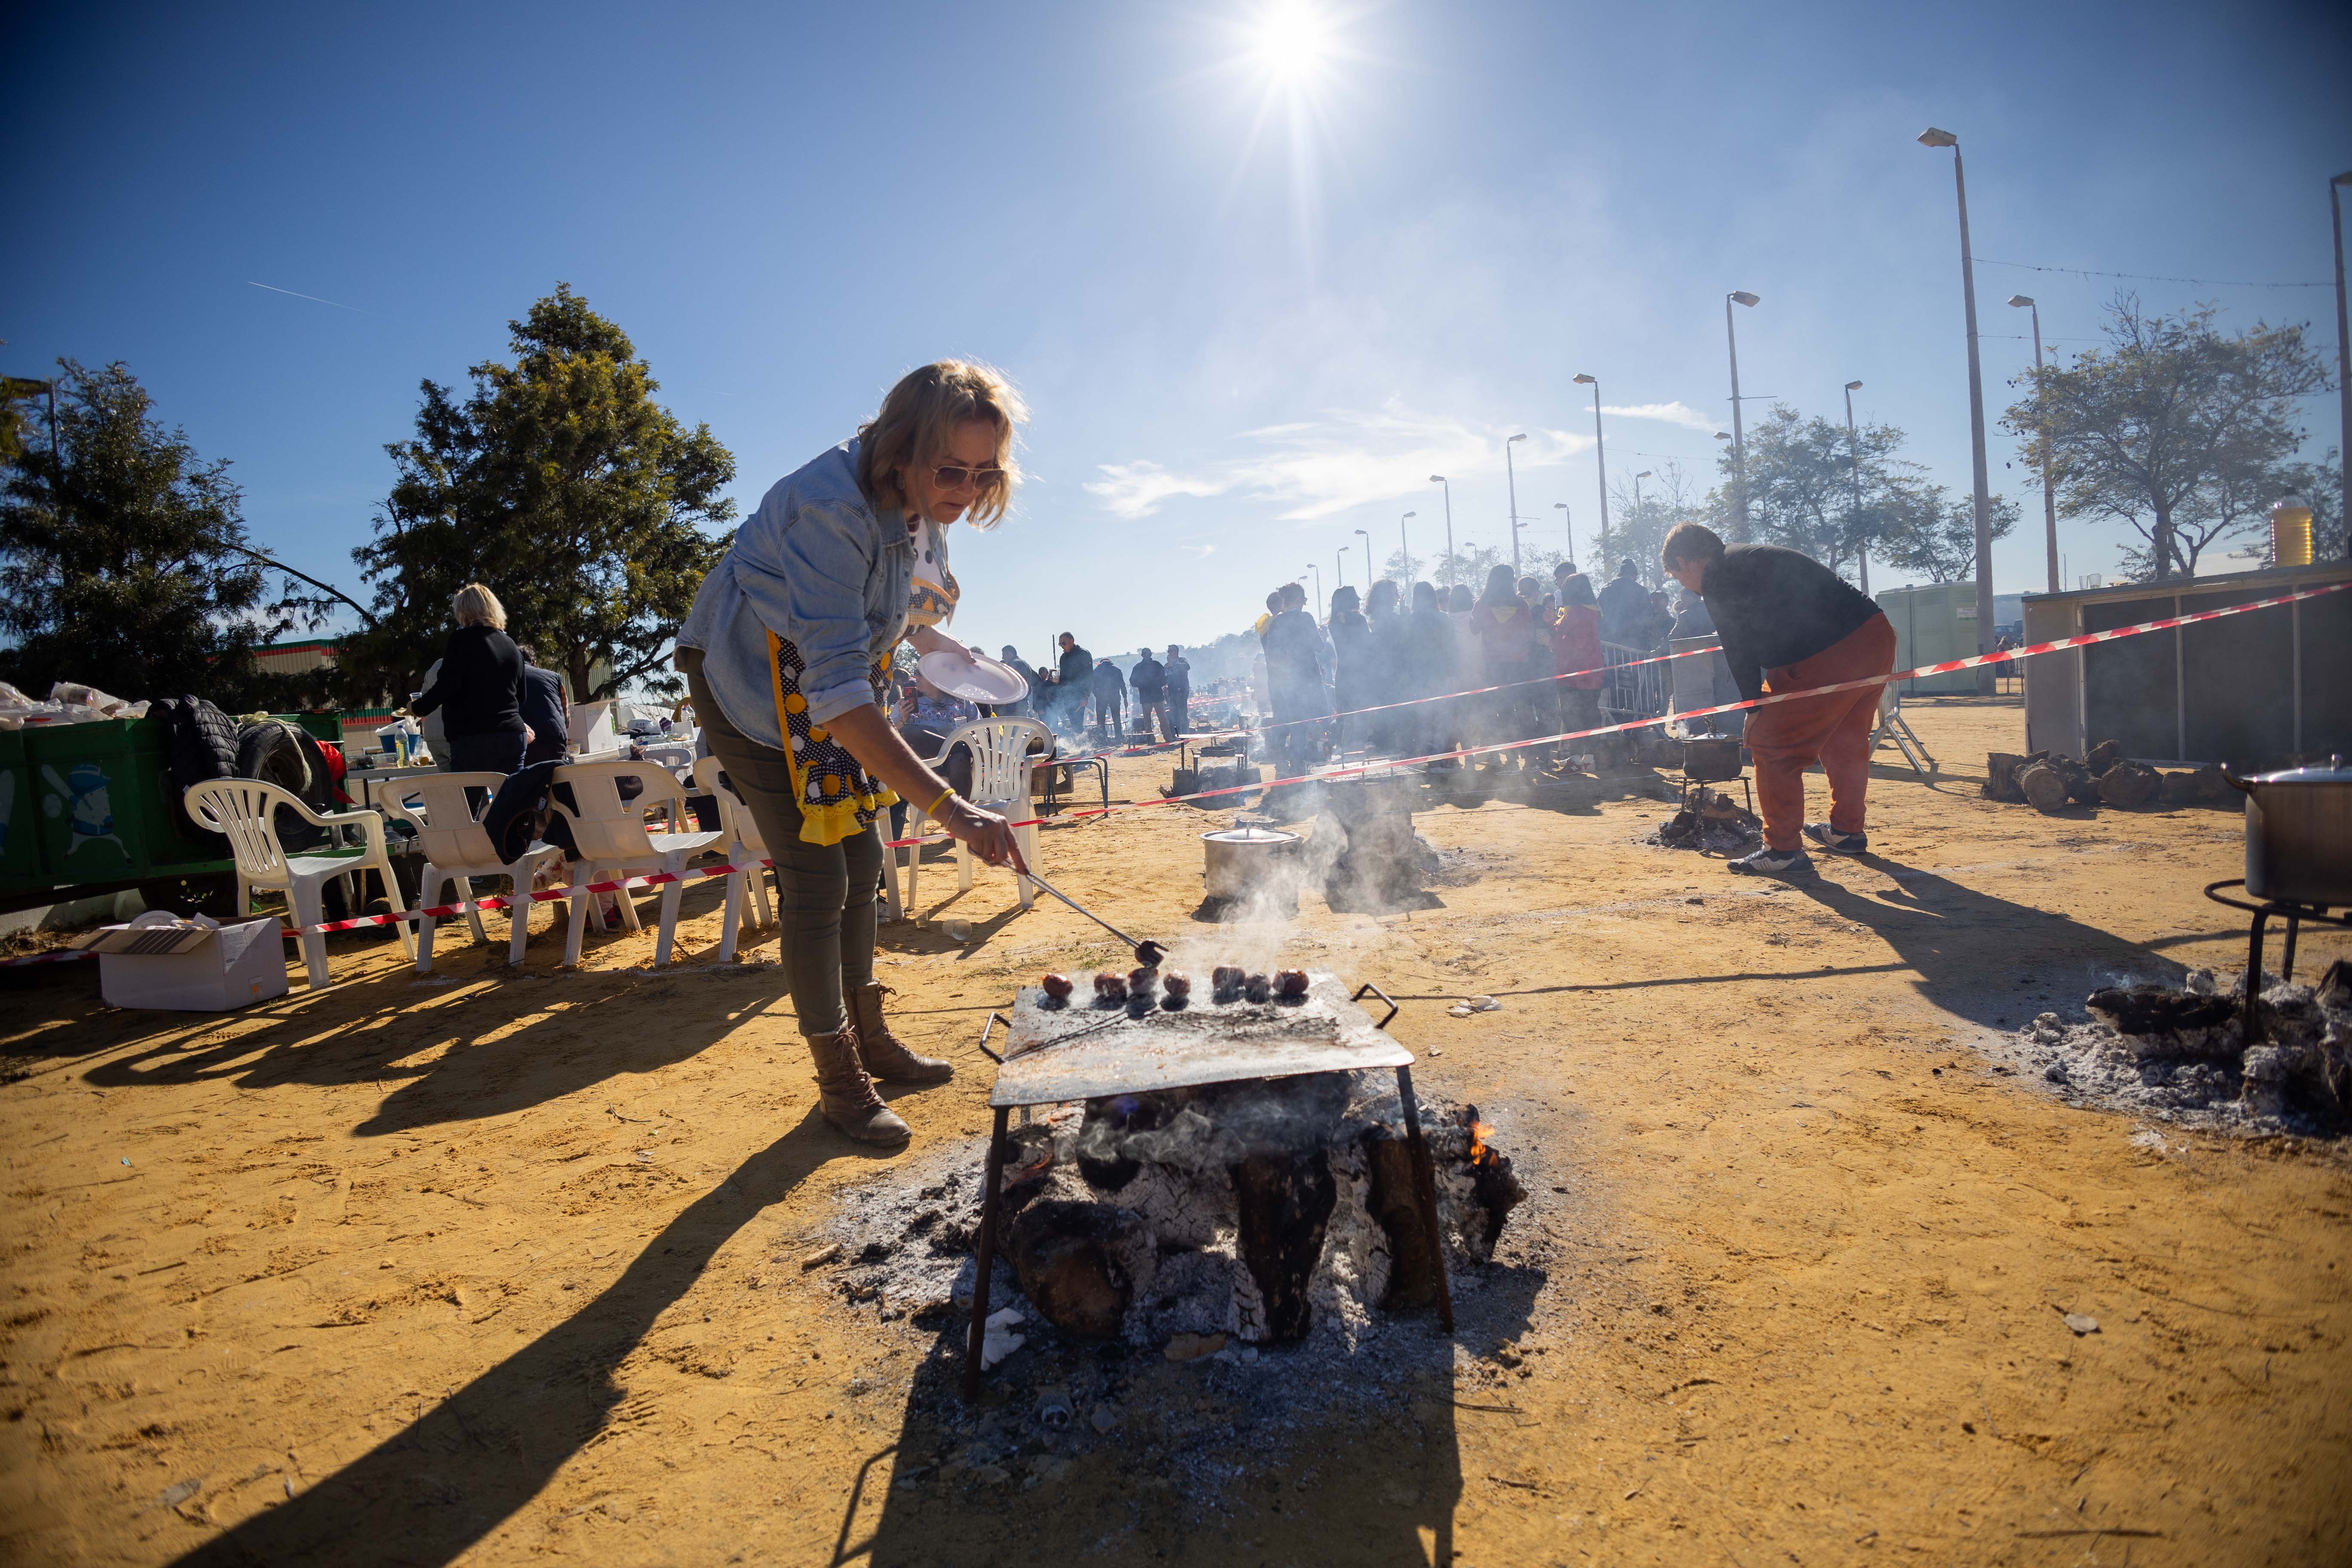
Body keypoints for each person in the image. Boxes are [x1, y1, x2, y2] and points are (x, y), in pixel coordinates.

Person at [675, 359, 1028, 1143]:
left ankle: (870, 1037)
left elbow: (885, 613)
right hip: (748, 679)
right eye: (950, 470)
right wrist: (952, 805)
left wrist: (935, 645)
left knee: (864, 864)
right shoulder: (828, 509)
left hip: (824, 678)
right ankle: (839, 1079)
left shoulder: (919, 501)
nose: (965, 490)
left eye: (982, 472)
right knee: (817, 874)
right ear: (901, 448)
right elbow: (834, 694)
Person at [1660, 522, 1897, 877]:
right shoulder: (1747, 556)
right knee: (1845, 738)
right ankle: (1847, 831)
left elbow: (1737, 647)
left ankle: (1782, 849)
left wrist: (1753, 708)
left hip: (1825, 653)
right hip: (1874, 635)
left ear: (1686, 561)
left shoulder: (1718, 576)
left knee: (1771, 746)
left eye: (1679, 578)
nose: (1686, 588)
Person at [411, 583, 529, 776]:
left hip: (472, 736)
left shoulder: (461, 640)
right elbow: (521, 696)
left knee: (469, 803)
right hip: (512, 735)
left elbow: (446, 686)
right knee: (511, 799)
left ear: (463, 611)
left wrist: (416, 708)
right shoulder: (510, 644)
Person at [1470, 566, 1542, 771]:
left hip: (1494, 666)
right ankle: (1530, 760)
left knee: (1503, 712)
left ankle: (1510, 760)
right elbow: (1529, 632)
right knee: (1525, 711)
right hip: (1520, 665)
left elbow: (1474, 629)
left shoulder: (1482, 605)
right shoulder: (1521, 605)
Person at [1261, 581, 1329, 778]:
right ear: (1298, 600)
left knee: (1293, 723)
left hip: (1285, 683)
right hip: (1308, 680)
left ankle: (1290, 765)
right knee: (1317, 719)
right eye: (1305, 599)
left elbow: (1271, 656)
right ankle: (1309, 764)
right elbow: (1319, 646)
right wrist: (1322, 636)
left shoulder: (1276, 624)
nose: (1306, 603)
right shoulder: (1305, 618)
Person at [1550, 573, 1605, 761]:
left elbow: (1567, 640)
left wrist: (1551, 637)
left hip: (1572, 673)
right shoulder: (1595, 611)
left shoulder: (1575, 612)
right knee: (1590, 714)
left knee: (1572, 716)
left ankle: (1574, 759)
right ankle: (1590, 759)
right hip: (1593, 670)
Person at [1324, 585, 1372, 751]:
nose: (1359, 601)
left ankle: (1347, 755)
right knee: (1362, 718)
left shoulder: (1334, 624)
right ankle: (1359, 755)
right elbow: (1369, 645)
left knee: (1348, 720)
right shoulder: (1359, 620)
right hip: (1361, 675)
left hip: (1343, 675)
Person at [513, 644, 572, 766]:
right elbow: (566, 720)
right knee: (558, 783)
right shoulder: (554, 677)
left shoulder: (508, 679)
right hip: (554, 745)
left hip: (523, 744)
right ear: (534, 662)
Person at [1596, 558, 1649, 647]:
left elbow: (1598, 612)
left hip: (1610, 640)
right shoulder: (1641, 590)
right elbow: (1648, 616)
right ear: (1635, 575)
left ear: (1620, 574)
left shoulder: (1606, 588)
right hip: (1635, 640)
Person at [1054, 632, 1092, 738]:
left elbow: (1089, 676)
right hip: (1067, 695)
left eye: (1064, 643)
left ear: (1072, 641)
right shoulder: (1063, 658)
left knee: (1078, 722)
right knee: (1073, 720)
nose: (1062, 646)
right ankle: (1081, 741)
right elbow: (1064, 676)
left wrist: (1086, 696)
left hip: (1080, 694)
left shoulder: (1083, 654)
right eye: (1060, 644)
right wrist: (1058, 681)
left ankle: (1084, 742)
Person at [1127, 646, 1168, 743]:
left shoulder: (1148, 666)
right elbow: (1133, 682)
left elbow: (1133, 682)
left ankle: (1166, 738)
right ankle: (1155, 739)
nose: (1146, 655)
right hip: (1151, 696)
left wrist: (1143, 684)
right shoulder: (1154, 665)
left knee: (1159, 718)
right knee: (1150, 719)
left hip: (1151, 696)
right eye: (1145, 654)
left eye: (1147, 654)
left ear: (1149, 655)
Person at [1090, 656, 1126, 743]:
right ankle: (1118, 739)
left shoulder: (1096, 671)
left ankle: (1103, 741)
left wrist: (1098, 695)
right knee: (1116, 718)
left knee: (1101, 720)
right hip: (1115, 697)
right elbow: (1123, 685)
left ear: (1102, 662)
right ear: (1109, 662)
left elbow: (1092, 686)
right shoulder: (1117, 670)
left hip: (1101, 698)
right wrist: (1125, 698)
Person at [1162, 644, 1192, 736]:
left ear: (1177, 652)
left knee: (1182, 714)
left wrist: (1174, 664)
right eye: (1169, 651)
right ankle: (1177, 735)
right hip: (1172, 693)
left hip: (1182, 691)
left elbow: (1187, 667)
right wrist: (1165, 687)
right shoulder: (1167, 666)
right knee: (1174, 715)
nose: (1170, 653)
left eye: (1171, 651)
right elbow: (1165, 678)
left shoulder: (1182, 660)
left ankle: (1186, 735)